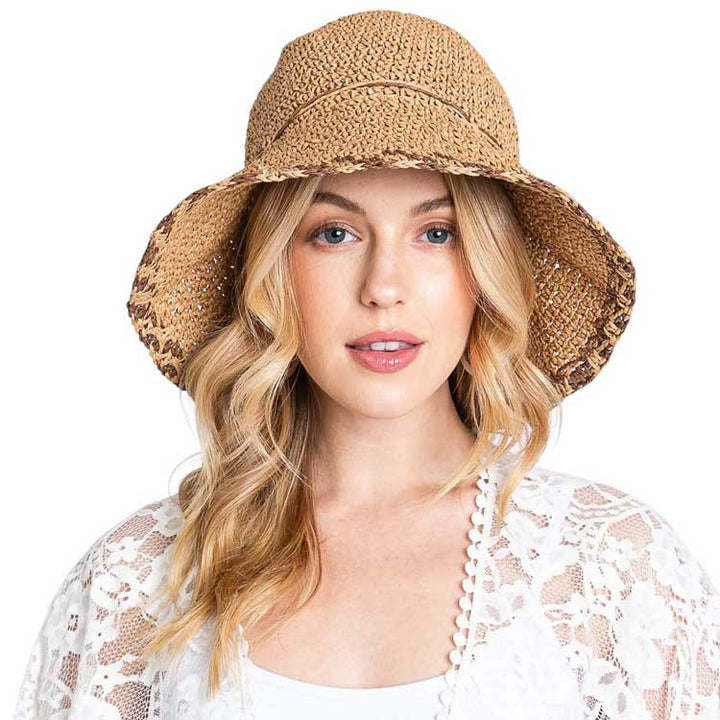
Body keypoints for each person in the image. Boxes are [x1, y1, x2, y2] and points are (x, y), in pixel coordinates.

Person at [14, 9, 720, 720]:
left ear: (486, 269)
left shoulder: (616, 572)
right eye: (335, 233)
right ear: (272, 270)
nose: (384, 286)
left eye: (436, 233)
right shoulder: (137, 580)